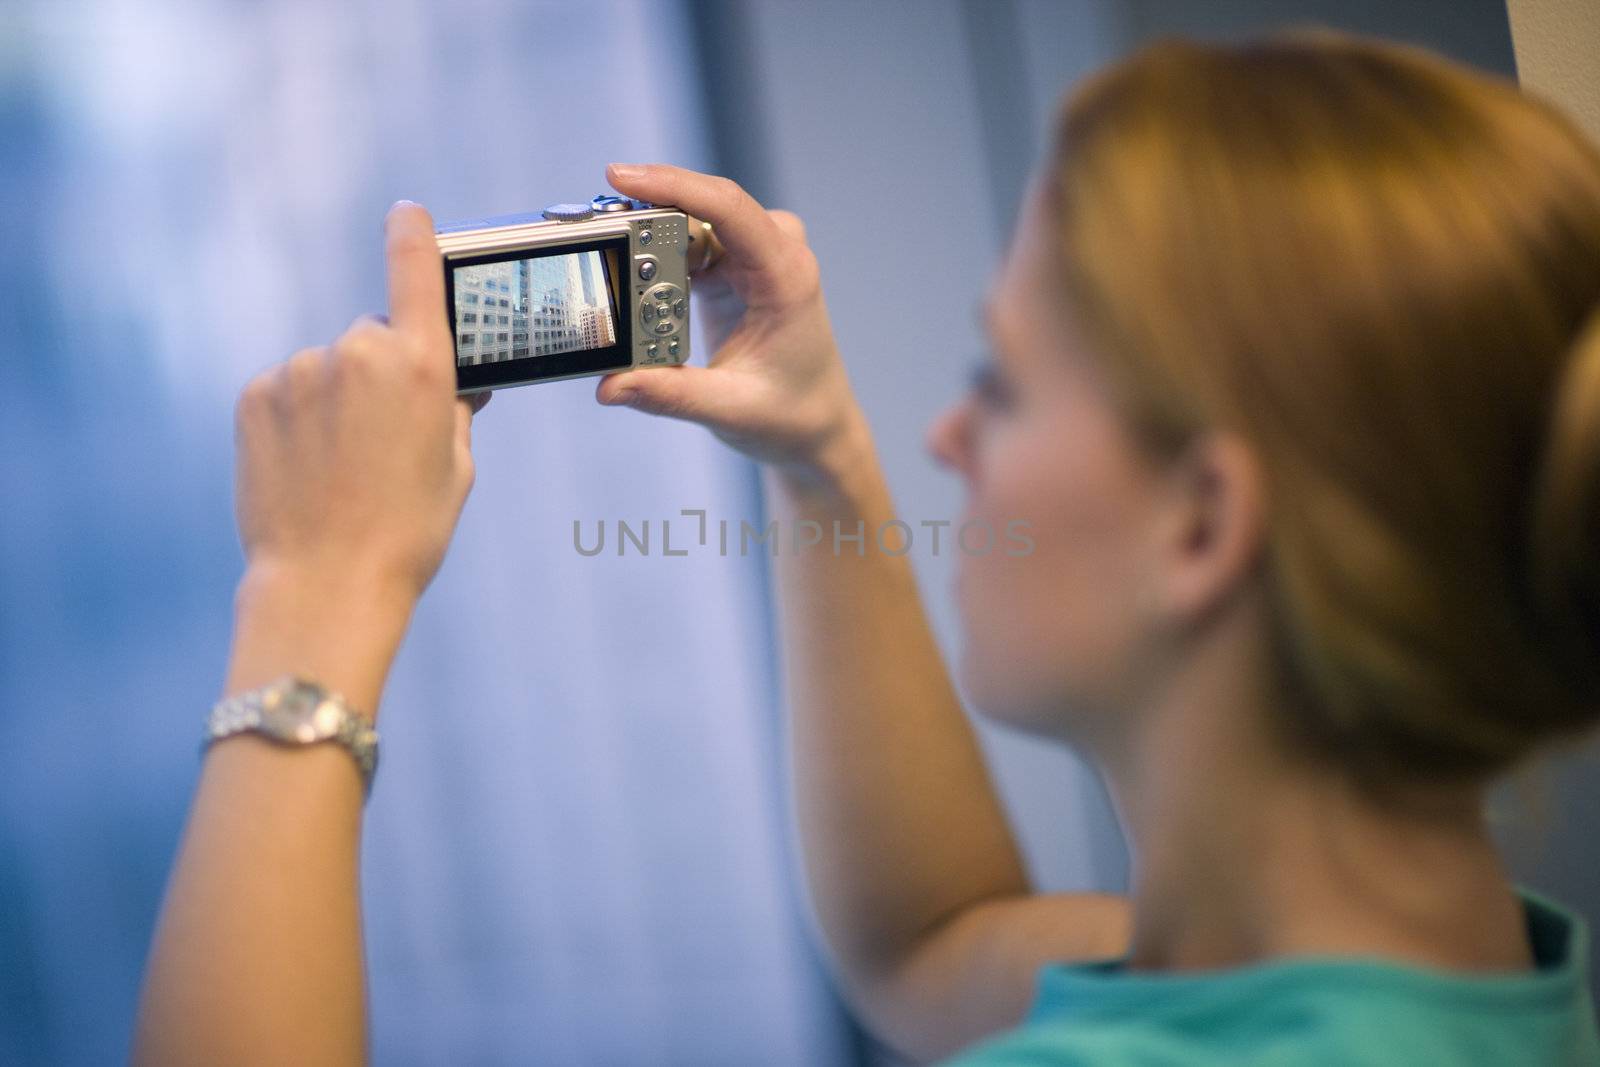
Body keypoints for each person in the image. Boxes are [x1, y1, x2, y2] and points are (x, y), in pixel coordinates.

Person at [132, 29, 1600, 1066]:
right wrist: (822, 453)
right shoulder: (1460, 973)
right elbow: (934, 949)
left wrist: (311, 600)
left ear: (1205, 524)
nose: (948, 440)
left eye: (1003, 383)